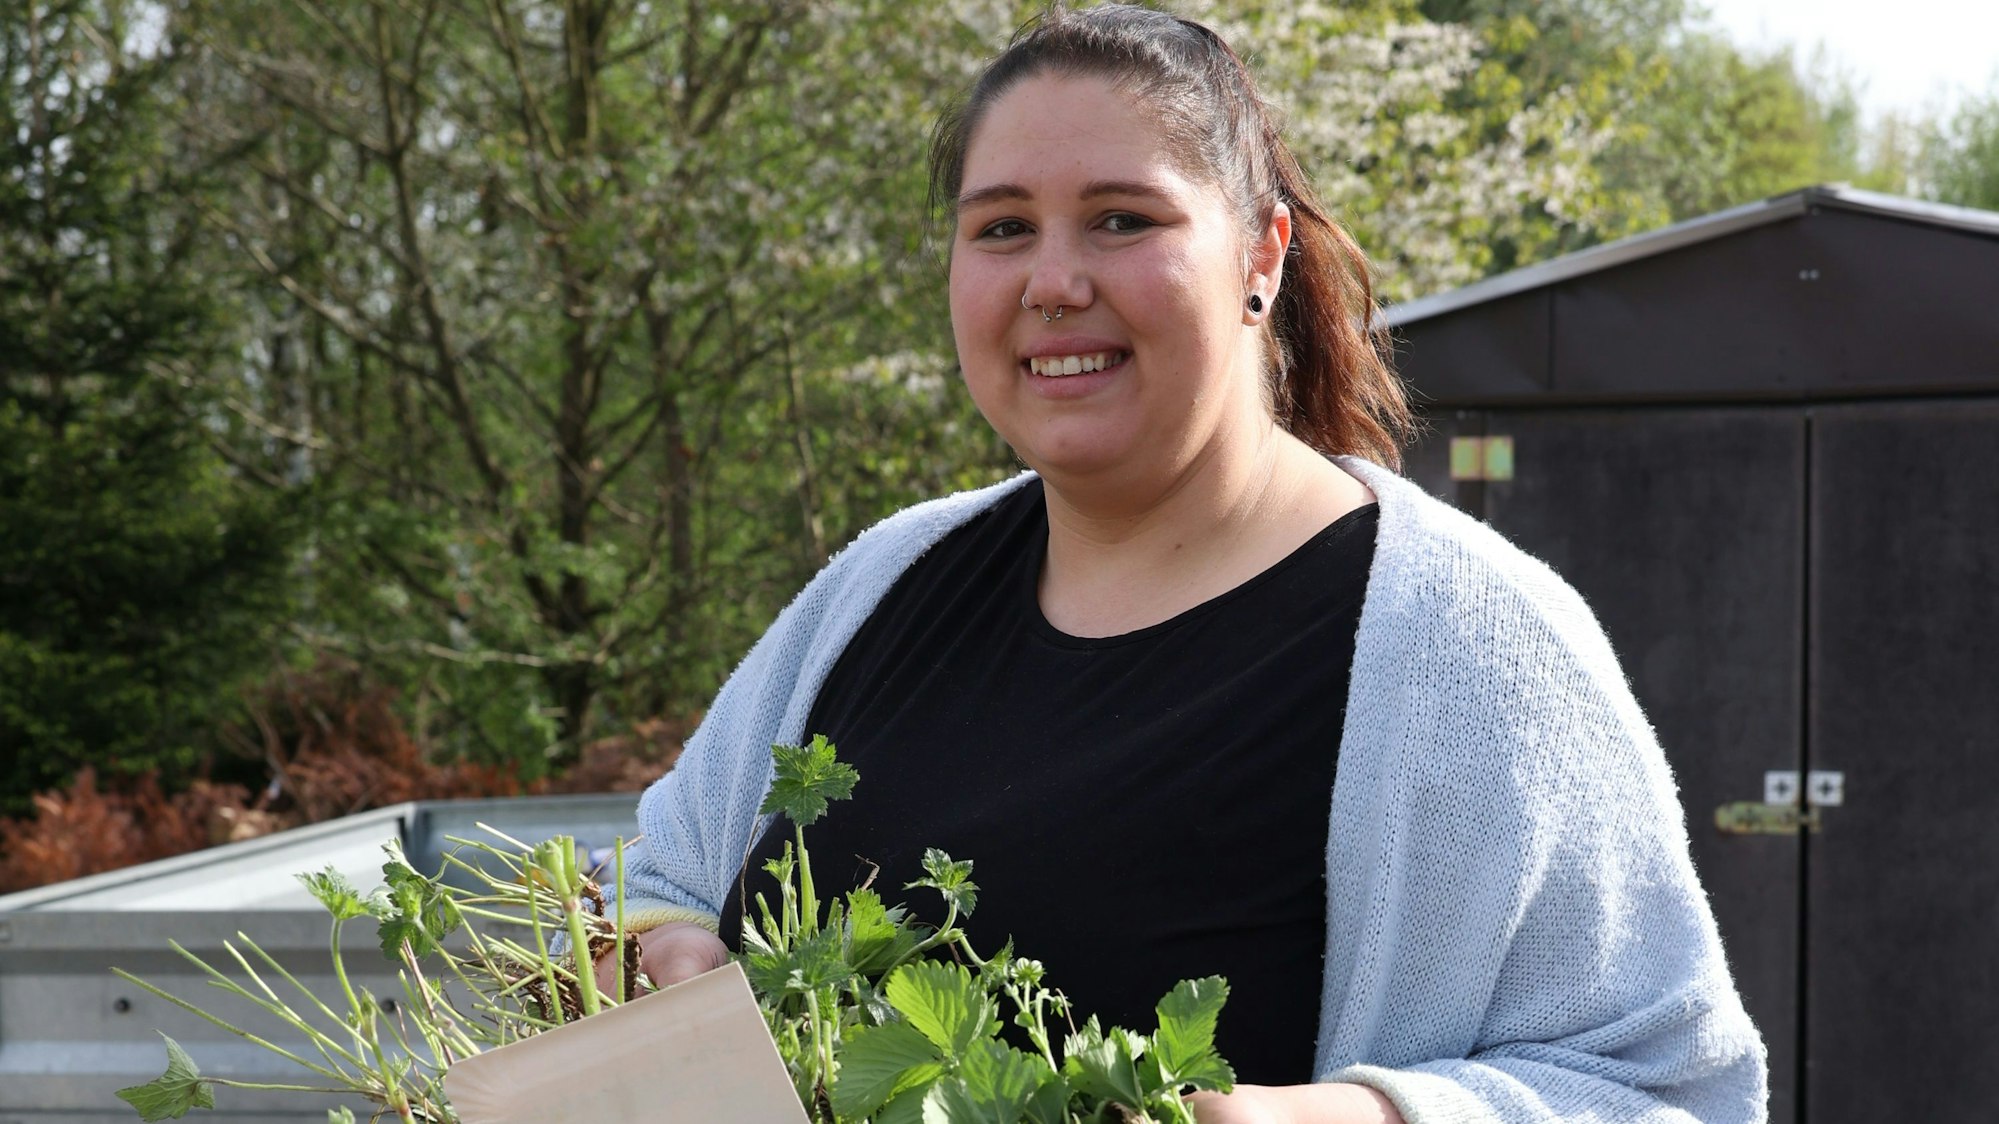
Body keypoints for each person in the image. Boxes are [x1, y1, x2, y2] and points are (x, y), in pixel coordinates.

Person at [597, 6, 1767, 1122]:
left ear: (1260, 256)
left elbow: (1666, 1088)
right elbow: (666, 877)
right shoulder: (882, 588)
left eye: (1122, 219)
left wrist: (1338, 1113)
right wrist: (660, 951)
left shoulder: (1466, 640)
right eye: (1002, 227)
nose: (1052, 282)